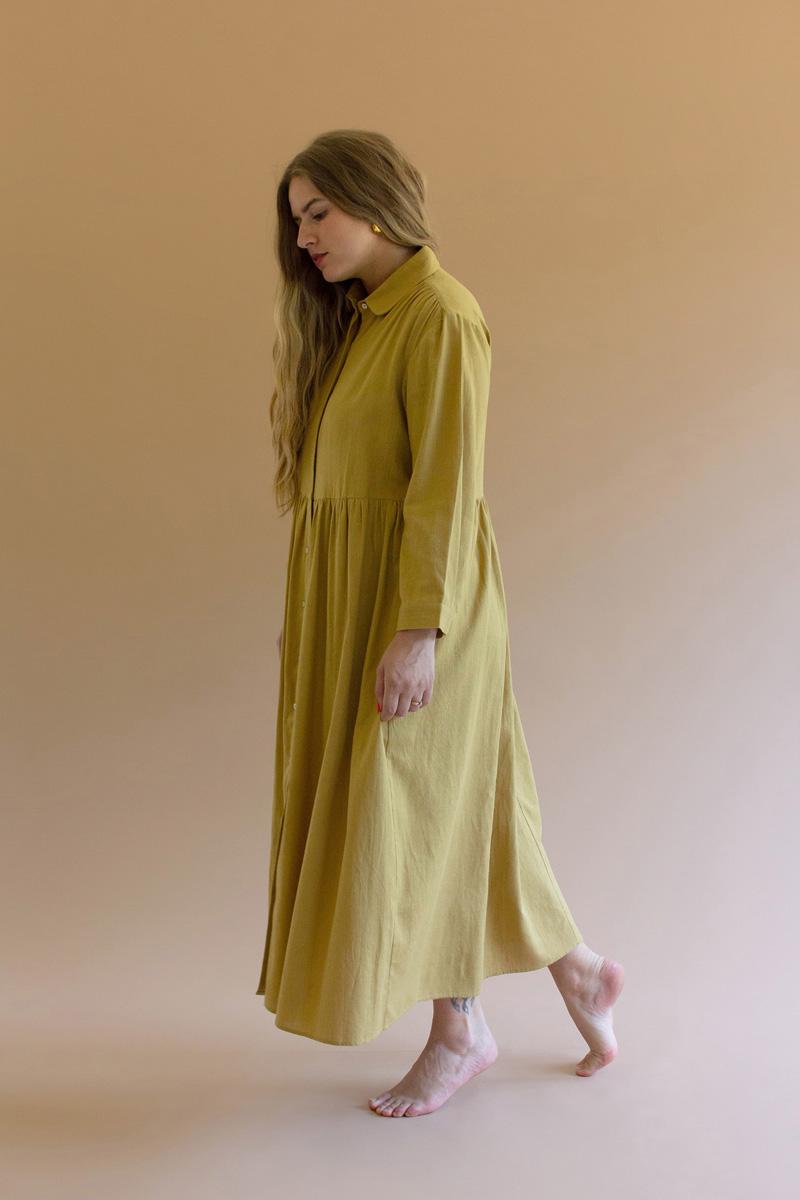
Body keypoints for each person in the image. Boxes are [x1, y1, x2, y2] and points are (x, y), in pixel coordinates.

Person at [255, 129, 625, 1118]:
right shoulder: (363, 320)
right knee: (469, 800)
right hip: (363, 602)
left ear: (375, 202)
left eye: (318, 212)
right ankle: (579, 970)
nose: (304, 237)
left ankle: (461, 1030)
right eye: (296, 220)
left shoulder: (441, 315)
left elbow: (446, 488)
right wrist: (319, 621)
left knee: (418, 808)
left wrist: (418, 629)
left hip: (425, 604)